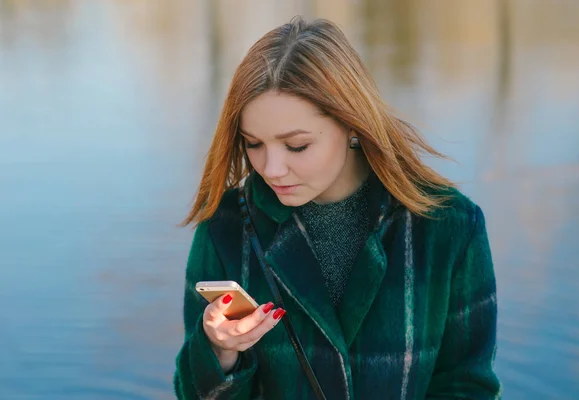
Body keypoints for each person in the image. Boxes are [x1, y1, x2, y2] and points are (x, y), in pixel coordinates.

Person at [173, 16, 502, 400]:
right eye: (253, 144)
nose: (271, 169)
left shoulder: (450, 226)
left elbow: (468, 387)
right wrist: (219, 351)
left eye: (296, 146)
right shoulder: (225, 229)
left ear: (352, 125)